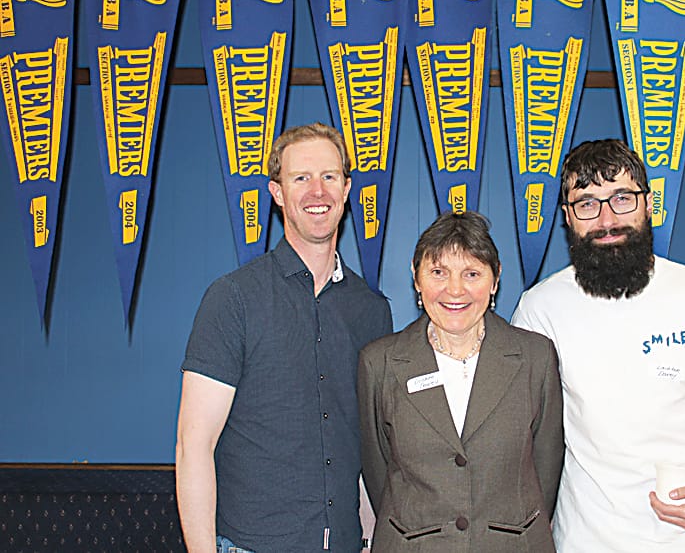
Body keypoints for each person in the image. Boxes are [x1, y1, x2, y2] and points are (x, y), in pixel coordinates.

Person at [511, 139, 685, 552]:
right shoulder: (540, 308)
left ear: (648, 203)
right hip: (583, 539)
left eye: (622, 198)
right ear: (567, 217)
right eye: (587, 203)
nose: (606, 218)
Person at [175, 122, 393, 553]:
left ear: (347, 189)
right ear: (277, 193)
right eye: (301, 178)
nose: (318, 191)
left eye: (329, 176)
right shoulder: (233, 299)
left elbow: (371, 447)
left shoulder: (372, 310)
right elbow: (193, 446)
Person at [358, 211, 564, 552]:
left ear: (495, 279)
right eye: (438, 272)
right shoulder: (379, 363)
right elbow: (379, 473)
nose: (455, 290)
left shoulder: (534, 357)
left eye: (472, 273)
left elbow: (546, 468)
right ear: (416, 277)